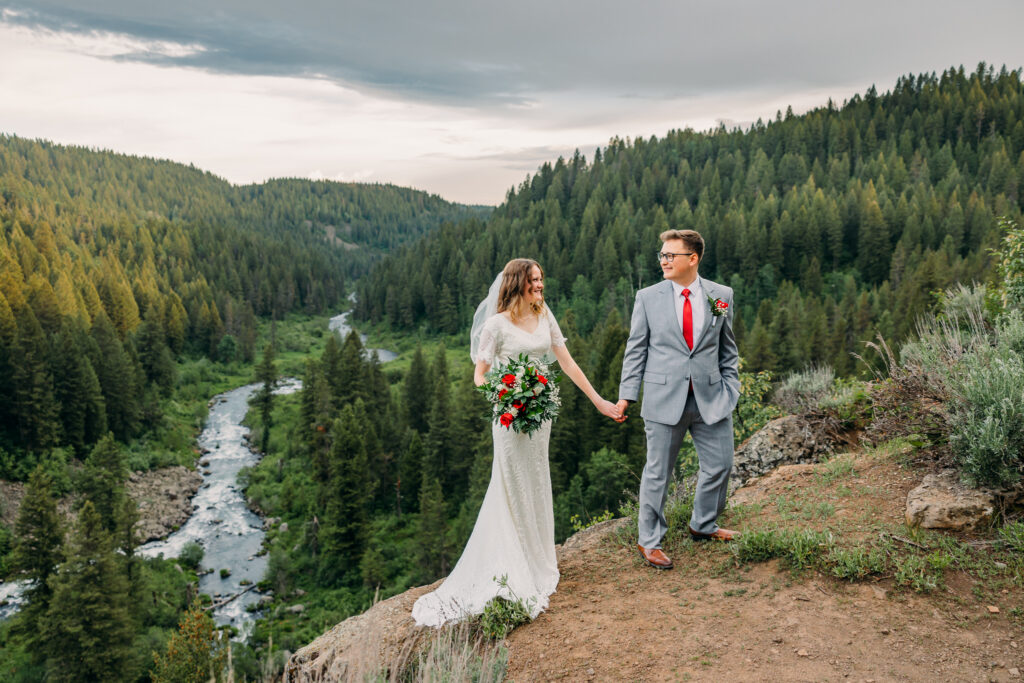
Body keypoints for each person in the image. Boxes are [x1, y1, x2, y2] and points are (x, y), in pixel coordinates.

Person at [411, 258, 622, 627]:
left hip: (539, 418)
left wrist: (599, 401)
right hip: (509, 419)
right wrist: (507, 392)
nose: (540, 286)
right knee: (511, 483)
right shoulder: (495, 325)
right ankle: (512, 565)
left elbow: (568, 363)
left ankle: (538, 560)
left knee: (537, 479)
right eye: (533, 281)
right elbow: (480, 375)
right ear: (517, 284)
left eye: (541, 280)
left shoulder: (545, 315)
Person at [616, 229, 741, 571]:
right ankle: (650, 541)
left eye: (671, 255)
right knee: (658, 472)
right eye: (662, 255)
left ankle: (703, 524)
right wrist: (627, 395)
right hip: (662, 397)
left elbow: (728, 349)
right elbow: (635, 349)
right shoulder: (648, 297)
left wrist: (731, 387)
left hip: (712, 397)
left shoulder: (721, 295)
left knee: (720, 464)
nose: (664, 261)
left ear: (693, 258)